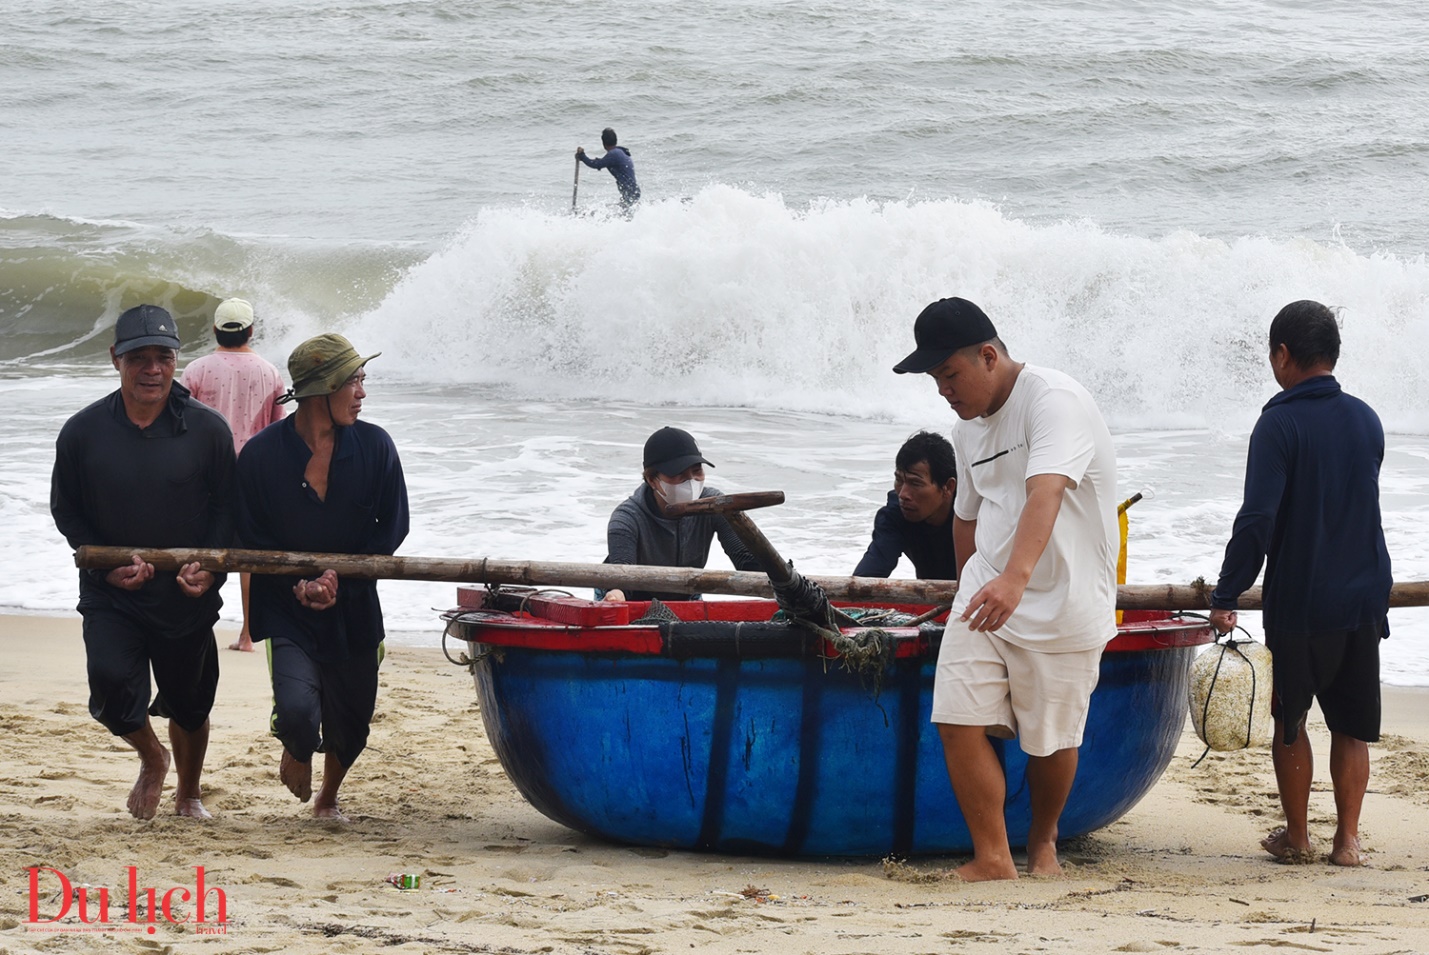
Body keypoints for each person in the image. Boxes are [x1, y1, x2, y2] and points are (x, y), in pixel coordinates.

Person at [894, 296, 1118, 881]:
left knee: (1050, 741)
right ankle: (993, 856)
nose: (944, 390)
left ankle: (1042, 845)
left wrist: (1015, 580)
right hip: (989, 594)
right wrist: (975, 582)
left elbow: (1045, 490)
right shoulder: (964, 429)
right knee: (956, 717)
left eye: (949, 374)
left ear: (988, 356)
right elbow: (967, 514)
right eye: (934, 379)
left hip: (1064, 598)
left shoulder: (1054, 402)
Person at [1207, 300, 1392, 868]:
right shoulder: (1367, 419)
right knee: (1351, 726)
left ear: (1283, 354)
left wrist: (1226, 593)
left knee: (1291, 722)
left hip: (1302, 602)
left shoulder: (1279, 422)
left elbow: (1258, 520)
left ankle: (1298, 836)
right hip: (1364, 595)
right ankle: (1348, 842)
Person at [50, 304, 236, 820]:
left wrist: (211, 570)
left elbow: (228, 511)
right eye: (139, 357)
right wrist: (104, 568)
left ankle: (189, 794)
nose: (152, 368)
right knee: (110, 687)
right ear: (116, 359)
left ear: (177, 360)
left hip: (185, 593)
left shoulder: (208, 430)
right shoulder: (83, 432)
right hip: (112, 591)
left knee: (191, 702)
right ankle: (153, 758)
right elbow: (68, 512)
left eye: (163, 356)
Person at [234, 333, 409, 821]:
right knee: (296, 711)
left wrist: (337, 578)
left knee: (352, 721)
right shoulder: (261, 456)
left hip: (354, 604)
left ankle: (327, 798)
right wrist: (301, 584)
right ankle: (294, 743)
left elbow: (393, 527)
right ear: (320, 390)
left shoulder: (375, 446)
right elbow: (250, 537)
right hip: (288, 607)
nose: (362, 393)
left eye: (362, 380)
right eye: (353, 381)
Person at [181, 297, 288, 652]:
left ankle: (194, 626)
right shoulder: (270, 372)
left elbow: (180, 424)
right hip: (251, 474)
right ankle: (247, 634)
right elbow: (278, 431)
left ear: (214, 329)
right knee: (248, 558)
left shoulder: (196, 370)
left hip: (205, 473)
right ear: (251, 331)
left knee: (201, 551)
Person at [602, 427, 762, 601]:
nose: (691, 480)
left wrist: (781, 579)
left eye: (697, 471)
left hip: (688, 595)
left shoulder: (716, 505)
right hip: (631, 597)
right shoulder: (627, 518)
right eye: (679, 474)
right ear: (652, 479)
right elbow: (622, 577)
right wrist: (616, 595)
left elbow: (746, 560)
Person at [853, 430, 958, 580]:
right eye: (899, 480)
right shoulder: (896, 514)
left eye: (915, 483)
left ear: (948, 487)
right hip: (933, 597)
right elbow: (866, 579)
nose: (903, 494)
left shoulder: (976, 512)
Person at [576, 127, 641, 210]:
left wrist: (582, 156)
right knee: (626, 213)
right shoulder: (620, 151)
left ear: (604, 143)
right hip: (633, 190)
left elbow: (597, 165)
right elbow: (604, 162)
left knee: (626, 214)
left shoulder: (614, 154)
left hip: (629, 192)